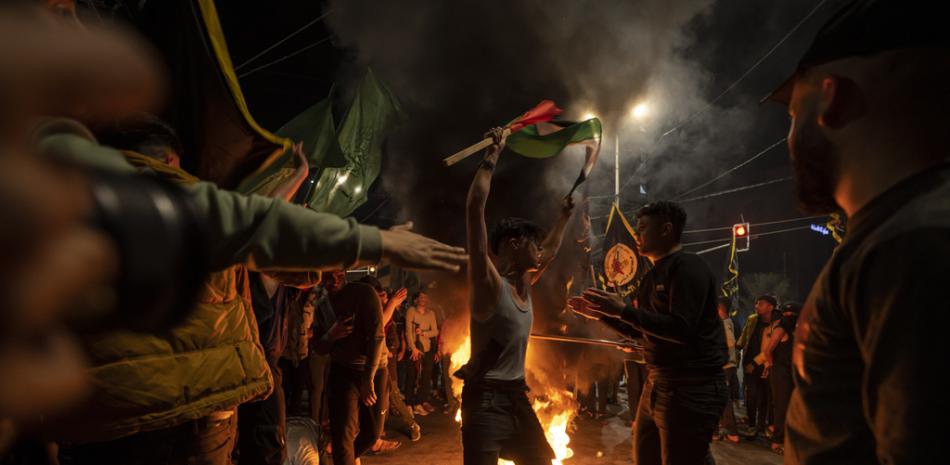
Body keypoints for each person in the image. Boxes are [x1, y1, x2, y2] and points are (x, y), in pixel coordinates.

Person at [764, 1, 950, 462]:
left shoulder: (911, 245)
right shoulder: (895, 230)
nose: (789, 140)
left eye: (792, 115)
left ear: (833, 97)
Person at [570, 200, 727, 465]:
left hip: (691, 387)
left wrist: (620, 310)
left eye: (642, 228)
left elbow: (681, 329)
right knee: (645, 457)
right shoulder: (650, 277)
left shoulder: (688, 269)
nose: (636, 235)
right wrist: (601, 314)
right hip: (656, 382)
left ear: (666, 229)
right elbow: (641, 329)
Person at [460, 128, 574, 465]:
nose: (539, 251)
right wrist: (491, 156)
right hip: (485, 402)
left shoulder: (526, 283)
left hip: (516, 396)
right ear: (512, 244)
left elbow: (550, 251)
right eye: (531, 243)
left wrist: (564, 217)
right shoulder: (488, 283)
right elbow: (474, 210)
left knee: (541, 459)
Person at [312, 271, 385, 465]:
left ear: (344, 273)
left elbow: (377, 337)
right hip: (343, 370)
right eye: (328, 276)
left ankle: (348, 458)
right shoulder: (322, 307)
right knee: (343, 432)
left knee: (373, 433)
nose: (333, 280)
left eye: (337, 274)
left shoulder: (364, 293)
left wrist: (368, 377)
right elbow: (319, 347)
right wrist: (331, 335)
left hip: (375, 368)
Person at [761, 302, 799, 455]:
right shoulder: (781, 329)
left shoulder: (794, 329)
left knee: (789, 406)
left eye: (792, 313)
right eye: (787, 313)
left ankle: (779, 433)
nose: (790, 315)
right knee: (781, 406)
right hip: (780, 372)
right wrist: (771, 367)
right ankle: (776, 442)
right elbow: (768, 350)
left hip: (791, 372)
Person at [738, 295, 776, 438]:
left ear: (770, 307)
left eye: (760, 304)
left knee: (767, 397)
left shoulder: (777, 323)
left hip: (767, 365)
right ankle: (752, 425)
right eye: (756, 304)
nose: (756, 306)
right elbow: (744, 337)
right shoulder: (752, 319)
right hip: (750, 365)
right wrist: (737, 350)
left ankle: (764, 426)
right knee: (751, 396)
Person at [405, 291, 439, 415]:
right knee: (412, 375)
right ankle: (408, 403)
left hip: (427, 349)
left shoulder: (431, 314)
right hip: (414, 348)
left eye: (425, 297)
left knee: (425, 376)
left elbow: (435, 332)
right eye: (421, 297)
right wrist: (412, 348)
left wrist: (424, 333)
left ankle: (419, 403)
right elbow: (408, 331)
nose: (423, 299)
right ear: (416, 299)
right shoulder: (411, 312)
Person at [716, 297, 740, 444]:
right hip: (726, 366)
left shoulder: (725, 324)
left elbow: (730, 346)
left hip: (724, 367)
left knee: (723, 399)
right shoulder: (728, 323)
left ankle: (732, 432)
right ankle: (724, 429)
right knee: (720, 398)